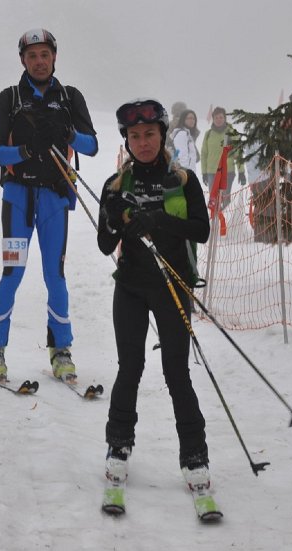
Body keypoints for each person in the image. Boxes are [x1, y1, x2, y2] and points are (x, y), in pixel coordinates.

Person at [97, 98, 212, 493]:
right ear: (126, 141)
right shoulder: (115, 186)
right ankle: (118, 446)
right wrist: (114, 218)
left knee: (176, 372)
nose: (142, 142)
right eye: (134, 136)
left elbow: (201, 230)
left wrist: (159, 219)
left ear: (162, 136)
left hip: (172, 286)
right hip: (130, 287)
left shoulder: (184, 180)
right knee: (129, 368)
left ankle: (195, 454)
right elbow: (104, 244)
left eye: (149, 134)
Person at [0, 28, 98, 382]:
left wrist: (67, 134)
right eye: (32, 56)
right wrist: (28, 149)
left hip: (53, 199)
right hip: (18, 197)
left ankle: (61, 350)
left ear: (54, 57)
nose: (39, 62)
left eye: (44, 54)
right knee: (12, 273)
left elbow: (92, 145)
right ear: (23, 60)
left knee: (55, 276)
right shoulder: (9, 98)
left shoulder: (70, 97)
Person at [200, 106, 245, 208]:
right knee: (213, 199)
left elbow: (238, 153)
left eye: (221, 117)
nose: (218, 120)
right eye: (216, 117)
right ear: (213, 119)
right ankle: (214, 216)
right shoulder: (208, 134)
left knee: (225, 199)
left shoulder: (232, 133)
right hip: (212, 172)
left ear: (225, 118)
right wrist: (204, 172)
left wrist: (241, 171)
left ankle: (224, 216)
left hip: (227, 171)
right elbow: (204, 154)